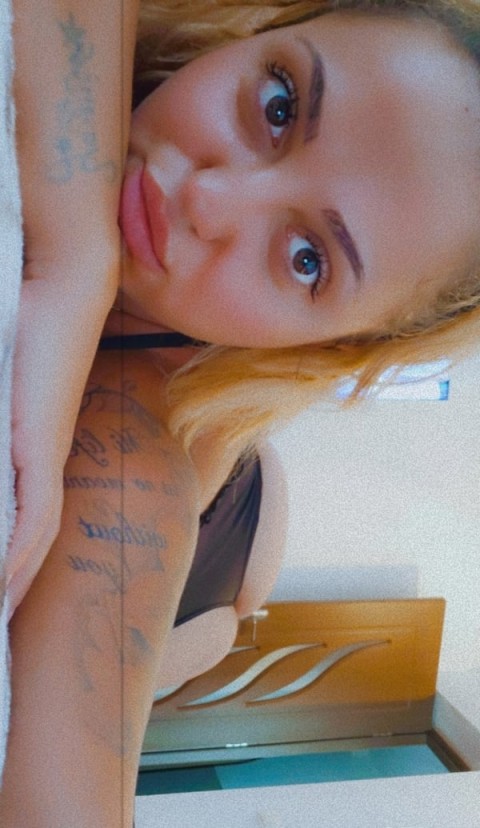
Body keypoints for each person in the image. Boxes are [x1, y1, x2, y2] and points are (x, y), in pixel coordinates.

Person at [2, 0, 480, 824]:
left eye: (307, 260)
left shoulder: (138, 465)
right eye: (280, 105)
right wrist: (74, 262)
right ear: (251, 34)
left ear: (330, 348)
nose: (209, 199)